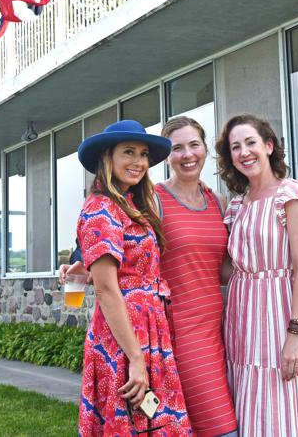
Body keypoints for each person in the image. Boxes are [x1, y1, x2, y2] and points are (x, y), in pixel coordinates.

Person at [215, 114, 298, 436]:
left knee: (291, 394)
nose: (244, 152)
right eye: (235, 147)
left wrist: (296, 333)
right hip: (242, 320)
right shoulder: (236, 206)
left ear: (269, 146)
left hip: (280, 314)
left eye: (251, 143)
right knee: (253, 398)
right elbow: (228, 269)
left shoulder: (292, 196)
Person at [74, 120, 192, 436]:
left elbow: (118, 268)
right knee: (131, 419)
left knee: (153, 416)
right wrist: (135, 358)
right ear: (107, 157)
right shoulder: (101, 209)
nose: (139, 162)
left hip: (148, 328)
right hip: (124, 337)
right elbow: (107, 290)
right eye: (128, 152)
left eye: (143, 154)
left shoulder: (128, 204)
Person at [155, 116, 238, 437]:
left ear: (205, 148)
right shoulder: (153, 200)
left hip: (219, 330)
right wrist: (82, 263)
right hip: (181, 332)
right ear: (167, 155)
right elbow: (125, 247)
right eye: (177, 148)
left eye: (194, 145)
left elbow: (223, 269)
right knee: (222, 428)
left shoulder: (218, 202)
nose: (187, 154)